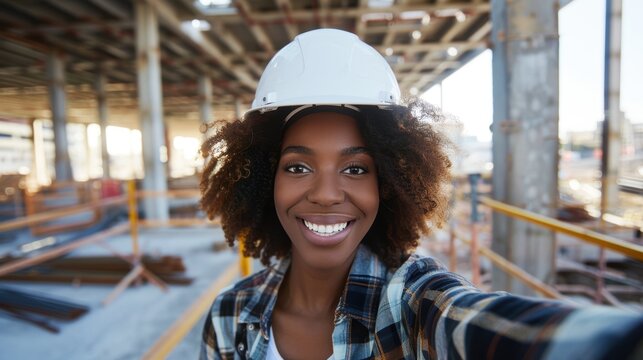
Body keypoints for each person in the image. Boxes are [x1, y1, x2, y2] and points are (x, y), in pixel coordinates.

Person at [199, 29, 642, 359]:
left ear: (388, 185)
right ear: (262, 181)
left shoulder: (415, 302)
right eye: (297, 166)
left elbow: (480, 324)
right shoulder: (229, 314)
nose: (327, 194)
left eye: (356, 168)